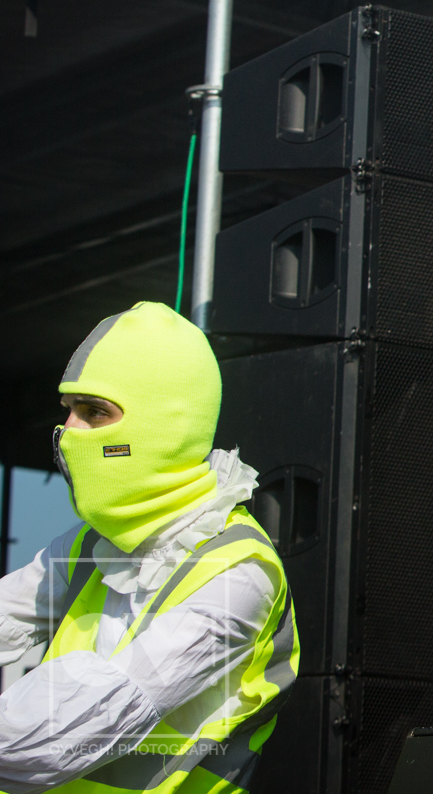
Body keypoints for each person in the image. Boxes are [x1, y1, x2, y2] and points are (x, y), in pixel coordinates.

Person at [0, 302, 298, 794]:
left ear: (162, 427)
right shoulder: (90, 544)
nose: (68, 432)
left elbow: (58, 736)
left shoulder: (239, 572)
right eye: (68, 410)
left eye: (95, 412)